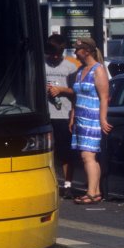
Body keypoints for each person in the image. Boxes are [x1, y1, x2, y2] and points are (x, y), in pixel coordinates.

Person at [69, 37, 110, 204]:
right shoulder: (81, 70)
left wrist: (102, 119)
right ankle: (96, 190)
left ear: (86, 51)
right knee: (87, 155)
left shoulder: (98, 70)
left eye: (77, 50)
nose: (75, 53)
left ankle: (91, 192)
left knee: (88, 155)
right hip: (80, 117)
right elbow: (76, 95)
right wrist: (72, 116)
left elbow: (104, 97)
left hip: (92, 117)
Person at [45, 39, 79, 195]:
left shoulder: (70, 67)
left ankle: (68, 184)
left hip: (63, 113)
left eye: (58, 55)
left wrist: (61, 90)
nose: (55, 58)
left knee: (65, 151)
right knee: (48, 152)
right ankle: (50, 183)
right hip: (46, 114)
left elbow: (75, 91)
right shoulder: (41, 65)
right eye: (52, 55)